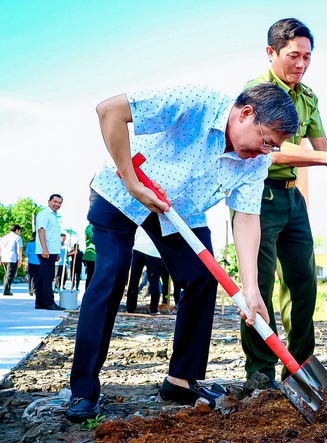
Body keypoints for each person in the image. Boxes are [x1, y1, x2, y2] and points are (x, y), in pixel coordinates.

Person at [65, 82, 299, 423]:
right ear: (246, 113)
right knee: (112, 273)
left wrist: (251, 289)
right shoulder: (197, 103)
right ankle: (83, 389)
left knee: (202, 277)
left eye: (273, 148)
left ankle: (180, 380)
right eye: (266, 141)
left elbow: (247, 220)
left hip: (178, 211)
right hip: (122, 189)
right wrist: (132, 182)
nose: (266, 152)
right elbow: (109, 111)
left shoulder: (255, 163)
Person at [240, 18, 327, 385]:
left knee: (303, 284)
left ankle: (298, 368)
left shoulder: (308, 96)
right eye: (293, 56)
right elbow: (272, 150)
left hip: (291, 198)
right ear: (271, 53)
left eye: (307, 57)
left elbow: (321, 145)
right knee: (260, 286)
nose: (300, 64)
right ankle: (260, 370)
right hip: (257, 197)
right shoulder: (257, 92)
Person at [35, 194, 66, 310]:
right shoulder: (44, 214)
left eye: (59, 203)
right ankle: (49, 303)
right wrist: (44, 248)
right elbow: (41, 231)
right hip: (46, 250)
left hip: (51, 250)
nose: (57, 204)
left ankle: (40, 303)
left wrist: (57, 252)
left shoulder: (54, 216)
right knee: (48, 277)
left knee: (43, 276)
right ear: (49, 201)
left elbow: (53, 235)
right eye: (55, 201)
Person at [125, 228, 165, 314]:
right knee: (154, 280)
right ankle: (153, 308)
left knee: (134, 279)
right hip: (154, 251)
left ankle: (130, 307)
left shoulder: (142, 216)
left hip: (139, 247)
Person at [1, 224, 23, 296]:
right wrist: (20, 259)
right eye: (19, 231)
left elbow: (0, 248)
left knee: (7, 274)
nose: (19, 232)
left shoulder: (4, 237)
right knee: (10, 274)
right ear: (17, 230)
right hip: (12, 258)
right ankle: (6, 290)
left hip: (4, 257)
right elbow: (19, 248)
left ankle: (7, 289)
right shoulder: (18, 238)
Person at [82, 224, 96, 289]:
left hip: (96, 257)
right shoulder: (90, 228)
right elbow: (94, 239)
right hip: (91, 256)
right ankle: (88, 295)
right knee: (91, 277)